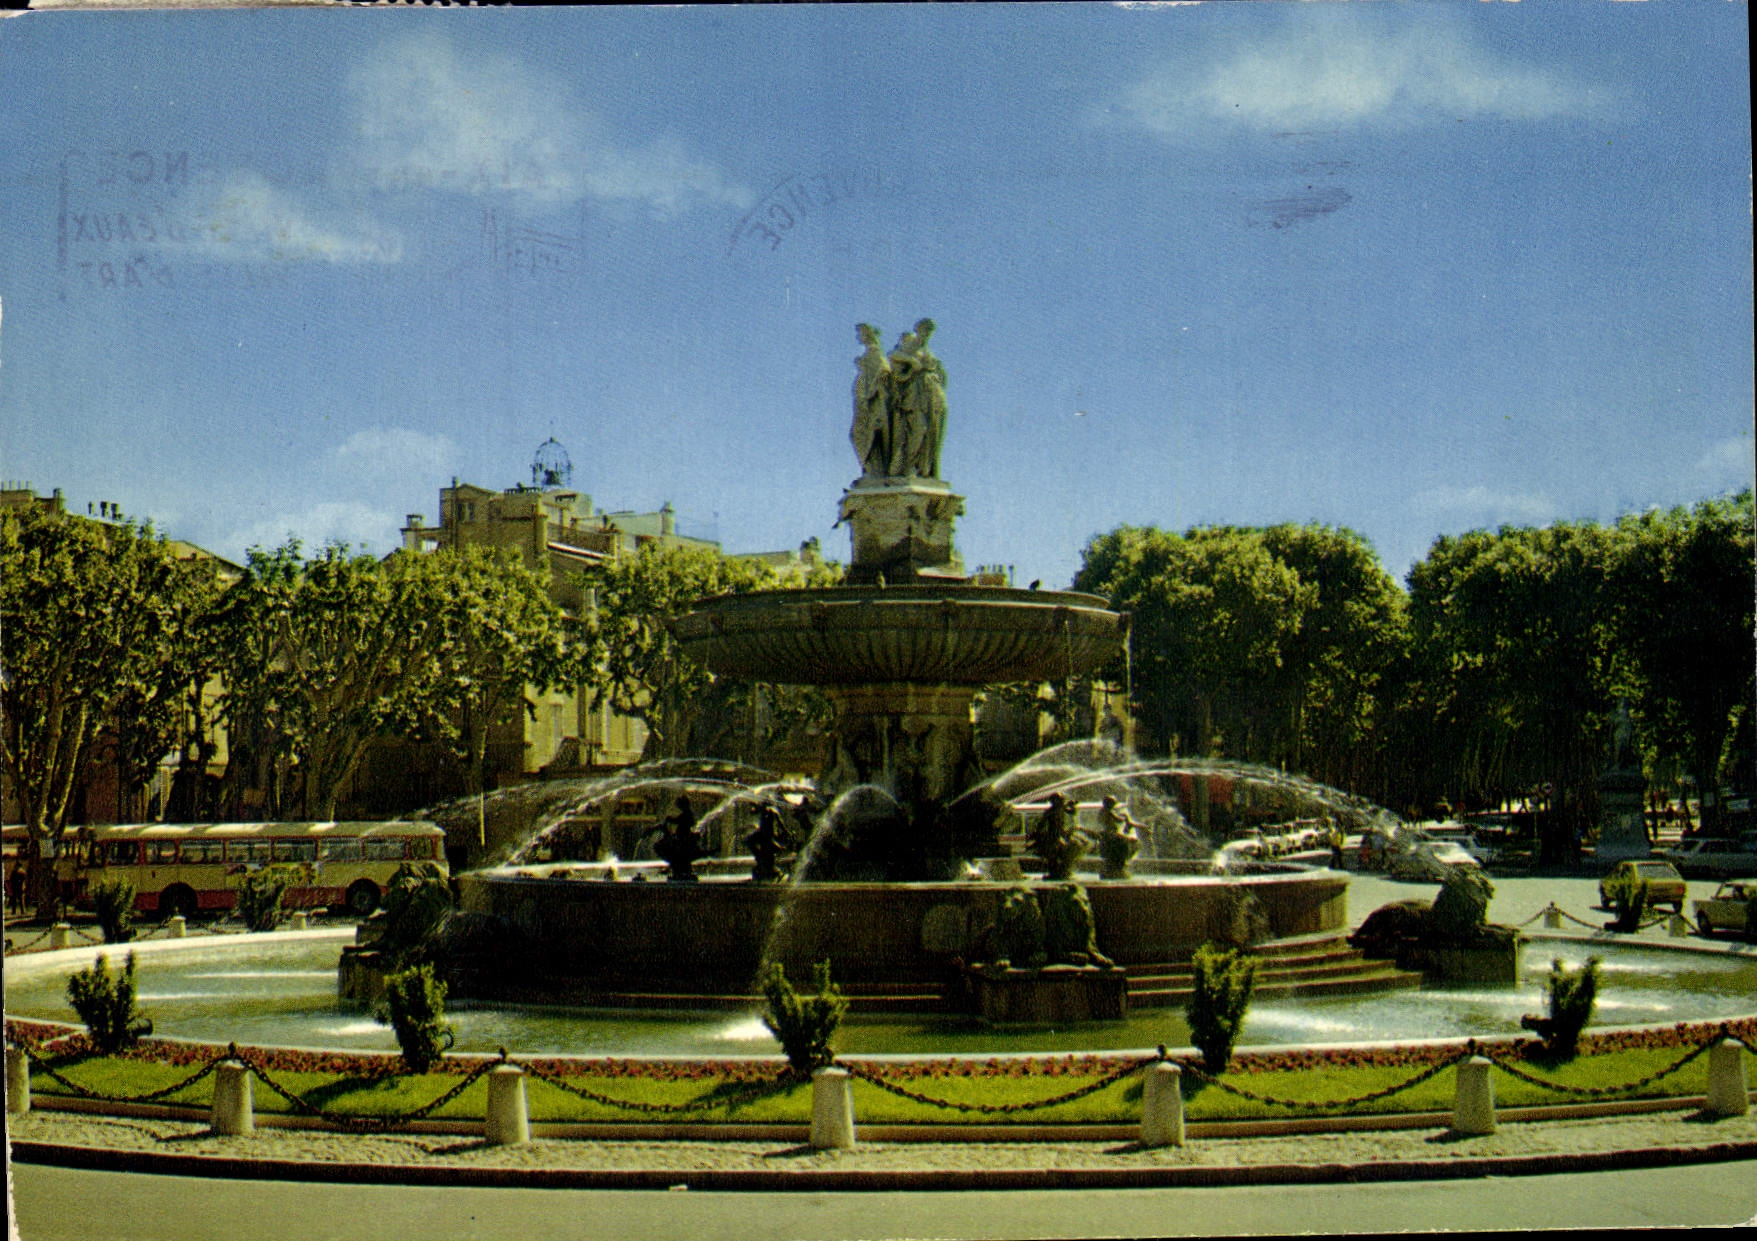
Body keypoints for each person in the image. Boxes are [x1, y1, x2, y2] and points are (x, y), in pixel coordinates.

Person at [850, 323, 893, 478]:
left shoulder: (874, 354)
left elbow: (882, 373)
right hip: (865, 405)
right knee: (862, 436)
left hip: (871, 407)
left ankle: (873, 471)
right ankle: (871, 470)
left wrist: (868, 395)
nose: (859, 336)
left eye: (861, 333)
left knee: (863, 436)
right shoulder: (870, 355)